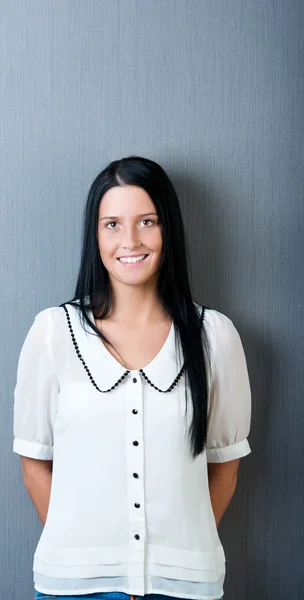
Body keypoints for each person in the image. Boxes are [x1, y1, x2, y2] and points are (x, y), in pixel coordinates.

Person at [13, 156, 252, 600]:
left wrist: (174, 559)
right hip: (73, 587)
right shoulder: (53, 333)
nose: (131, 241)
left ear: (169, 229)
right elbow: (34, 462)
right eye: (112, 225)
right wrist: (89, 553)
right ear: (96, 234)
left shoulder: (215, 337)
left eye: (147, 221)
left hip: (184, 586)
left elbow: (226, 468)